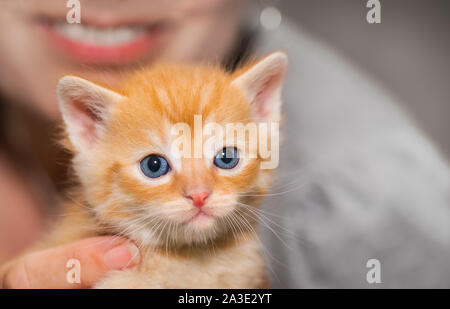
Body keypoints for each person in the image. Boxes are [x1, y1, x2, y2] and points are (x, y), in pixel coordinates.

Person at [0, 0, 448, 288]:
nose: (199, 192)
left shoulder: (365, 205)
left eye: (225, 158)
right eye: (157, 165)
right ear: (88, 127)